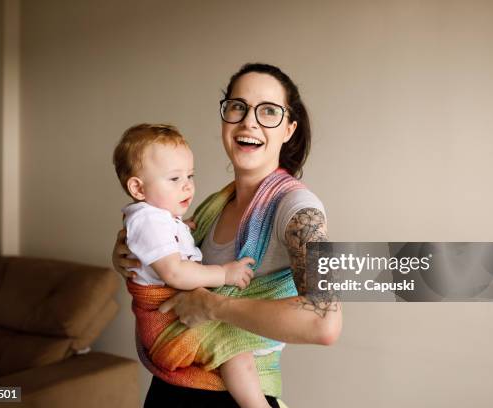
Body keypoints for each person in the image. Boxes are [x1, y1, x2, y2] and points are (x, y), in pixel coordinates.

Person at [112, 63, 342, 408]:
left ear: (289, 129)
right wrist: (126, 257)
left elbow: (324, 322)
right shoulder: (210, 206)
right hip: (171, 387)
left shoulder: (298, 209)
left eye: (268, 111)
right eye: (238, 107)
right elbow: (168, 266)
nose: (249, 121)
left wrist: (213, 305)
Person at [112, 123, 274, 408]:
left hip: (166, 329)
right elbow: (174, 272)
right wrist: (224, 273)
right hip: (163, 324)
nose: (187, 185)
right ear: (137, 188)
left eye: (190, 175)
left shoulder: (159, 220)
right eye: (174, 178)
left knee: (234, 347)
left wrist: (179, 230)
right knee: (234, 348)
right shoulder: (149, 220)